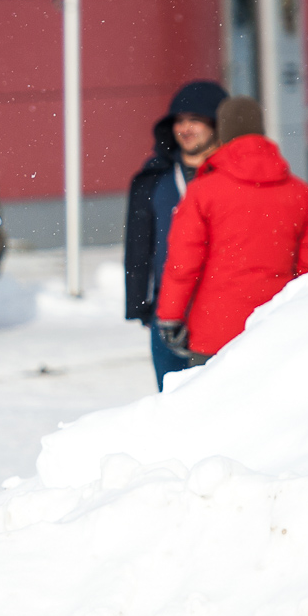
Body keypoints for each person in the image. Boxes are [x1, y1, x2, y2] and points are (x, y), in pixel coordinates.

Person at [155, 96, 308, 362]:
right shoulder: (303, 195)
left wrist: (170, 316)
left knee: (214, 403)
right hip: (277, 329)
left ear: (222, 133)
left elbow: (183, 263)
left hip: (215, 331)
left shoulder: (203, 191)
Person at [123, 80, 228, 390]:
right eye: (180, 121)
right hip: (167, 313)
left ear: (217, 124)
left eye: (196, 119)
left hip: (221, 311)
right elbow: (139, 245)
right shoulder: (155, 179)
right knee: (171, 403)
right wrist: (140, 303)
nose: (185, 128)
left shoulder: (233, 179)